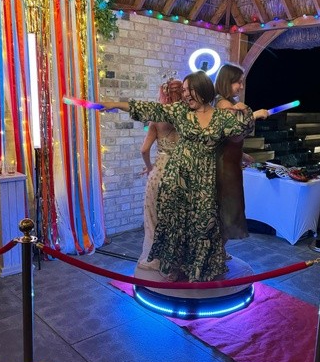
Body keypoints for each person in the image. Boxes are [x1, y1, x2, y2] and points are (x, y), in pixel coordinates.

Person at [99, 71, 255, 282]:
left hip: (205, 182)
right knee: (175, 225)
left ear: (202, 89)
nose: (186, 94)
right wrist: (116, 104)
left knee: (203, 224)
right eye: (183, 90)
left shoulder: (221, 117)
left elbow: (242, 130)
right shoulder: (180, 111)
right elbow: (150, 108)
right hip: (177, 178)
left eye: (189, 90)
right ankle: (173, 268)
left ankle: (198, 270)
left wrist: (246, 111)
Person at [212, 63, 270, 243]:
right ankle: (218, 252)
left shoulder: (224, 102)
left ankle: (219, 252)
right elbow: (233, 131)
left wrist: (242, 155)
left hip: (229, 161)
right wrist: (254, 115)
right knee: (226, 210)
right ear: (227, 82)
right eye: (238, 82)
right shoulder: (224, 104)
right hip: (225, 166)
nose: (241, 86)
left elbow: (225, 138)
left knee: (225, 210)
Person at [137, 78, 184, 270]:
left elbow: (144, 150)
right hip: (182, 170)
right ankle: (178, 260)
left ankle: (156, 259)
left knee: (154, 217)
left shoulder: (156, 118)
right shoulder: (190, 117)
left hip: (160, 170)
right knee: (178, 217)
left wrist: (149, 167)